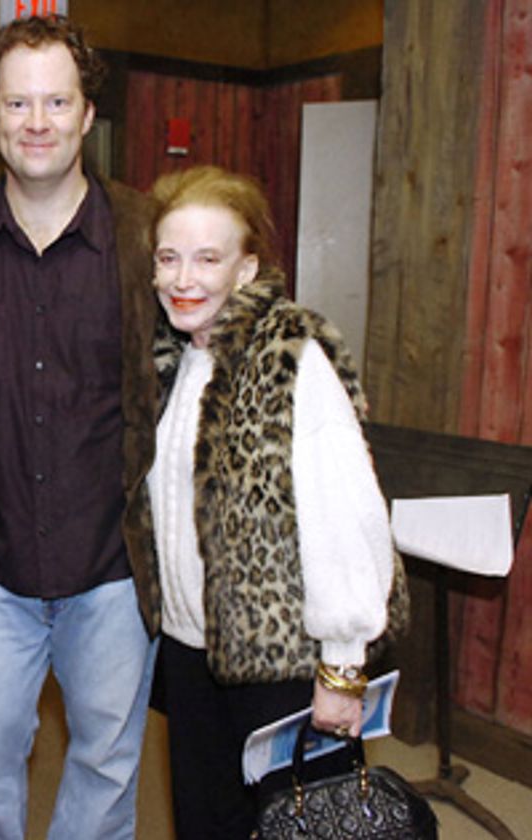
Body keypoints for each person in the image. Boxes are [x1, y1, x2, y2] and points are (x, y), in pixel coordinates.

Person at [0, 15, 160, 840]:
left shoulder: (151, 235)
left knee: (107, 765)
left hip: (113, 567)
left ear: (88, 116)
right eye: (19, 103)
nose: (38, 121)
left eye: (57, 101)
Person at [146, 164, 408, 839]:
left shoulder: (290, 358)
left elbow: (345, 514)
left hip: (281, 663)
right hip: (190, 652)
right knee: (208, 824)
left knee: (307, 827)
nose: (184, 279)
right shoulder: (174, 361)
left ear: (246, 268)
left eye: (208, 258)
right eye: (169, 258)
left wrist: (343, 668)